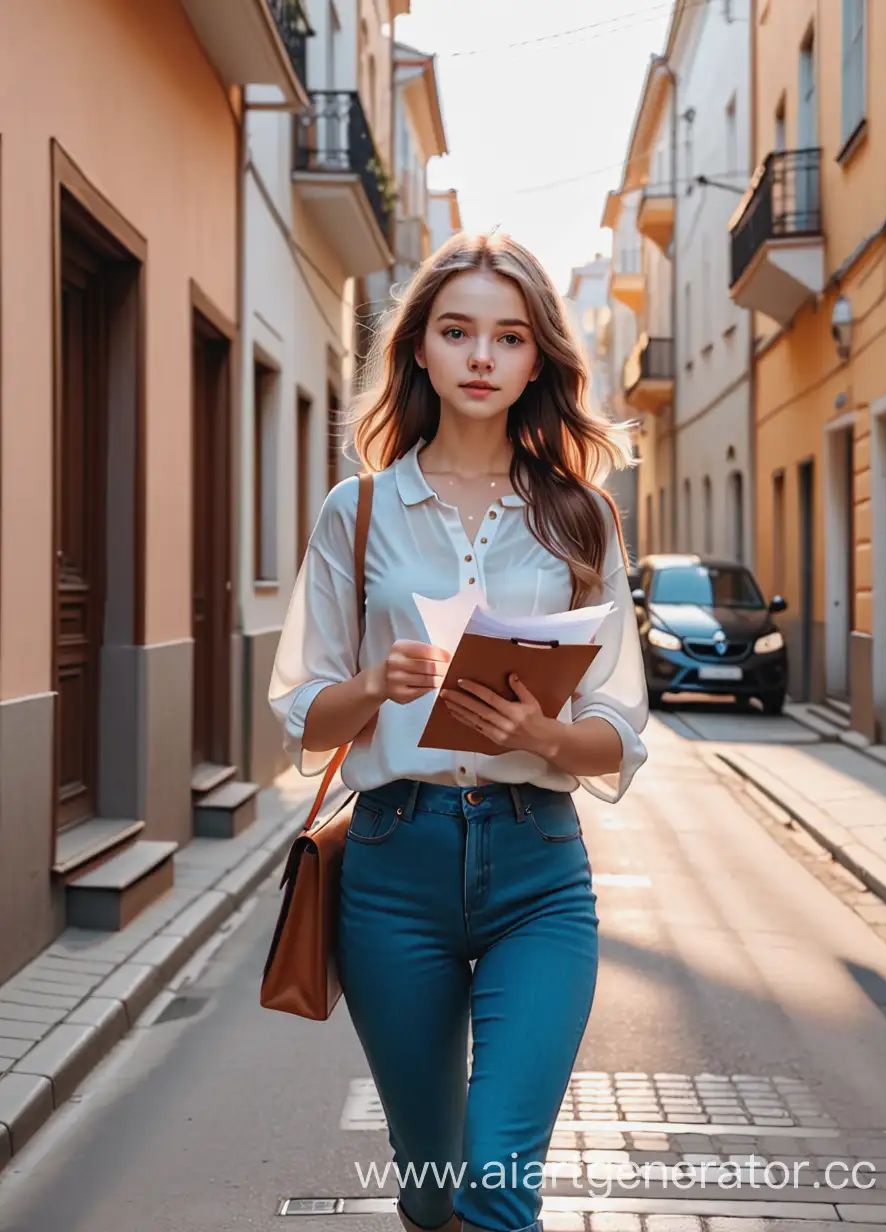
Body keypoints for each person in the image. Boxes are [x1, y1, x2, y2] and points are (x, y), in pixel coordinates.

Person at [268, 232, 649, 1232]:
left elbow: (620, 722)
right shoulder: (355, 513)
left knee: (496, 1183)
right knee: (433, 1184)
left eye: (509, 336)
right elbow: (302, 712)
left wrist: (549, 734)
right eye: (457, 330)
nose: (482, 355)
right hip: (393, 865)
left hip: (540, 867)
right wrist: (373, 682)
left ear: (537, 360)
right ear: (421, 351)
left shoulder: (581, 520)